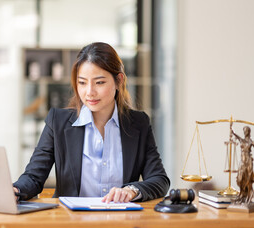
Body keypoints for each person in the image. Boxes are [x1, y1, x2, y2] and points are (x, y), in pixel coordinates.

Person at [13, 42, 170, 203]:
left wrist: (131, 191)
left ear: (118, 81)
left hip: (121, 221)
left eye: (99, 82)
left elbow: (159, 179)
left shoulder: (138, 123)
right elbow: (33, 177)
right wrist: (15, 190)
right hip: (71, 221)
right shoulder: (58, 122)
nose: (89, 92)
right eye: (82, 82)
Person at [232, 126, 254, 203]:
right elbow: (235, 134)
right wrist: (232, 129)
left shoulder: (252, 142)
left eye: (246, 131)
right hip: (242, 162)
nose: (245, 132)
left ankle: (248, 197)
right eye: (244, 130)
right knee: (240, 179)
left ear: (249, 132)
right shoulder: (241, 140)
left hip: (248, 162)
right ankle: (242, 195)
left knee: (248, 180)